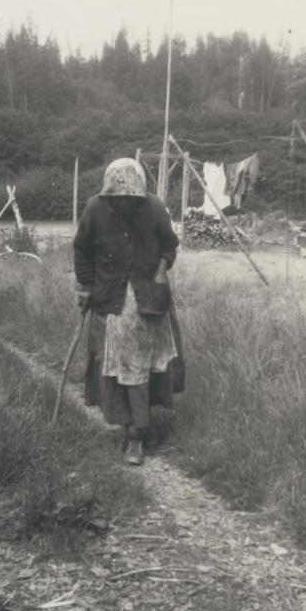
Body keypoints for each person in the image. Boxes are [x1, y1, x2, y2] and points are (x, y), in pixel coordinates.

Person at [73, 157, 184, 466]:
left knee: (139, 366)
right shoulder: (95, 208)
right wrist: (84, 286)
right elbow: (81, 248)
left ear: (140, 195)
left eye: (130, 199)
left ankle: (136, 434)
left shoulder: (155, 208)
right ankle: (130, 428)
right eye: (117, 199)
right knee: (118, 367)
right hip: (110, 299)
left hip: (147, 298)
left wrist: (162, 270)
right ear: (109, 194)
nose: (123, 204)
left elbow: (169, 246)